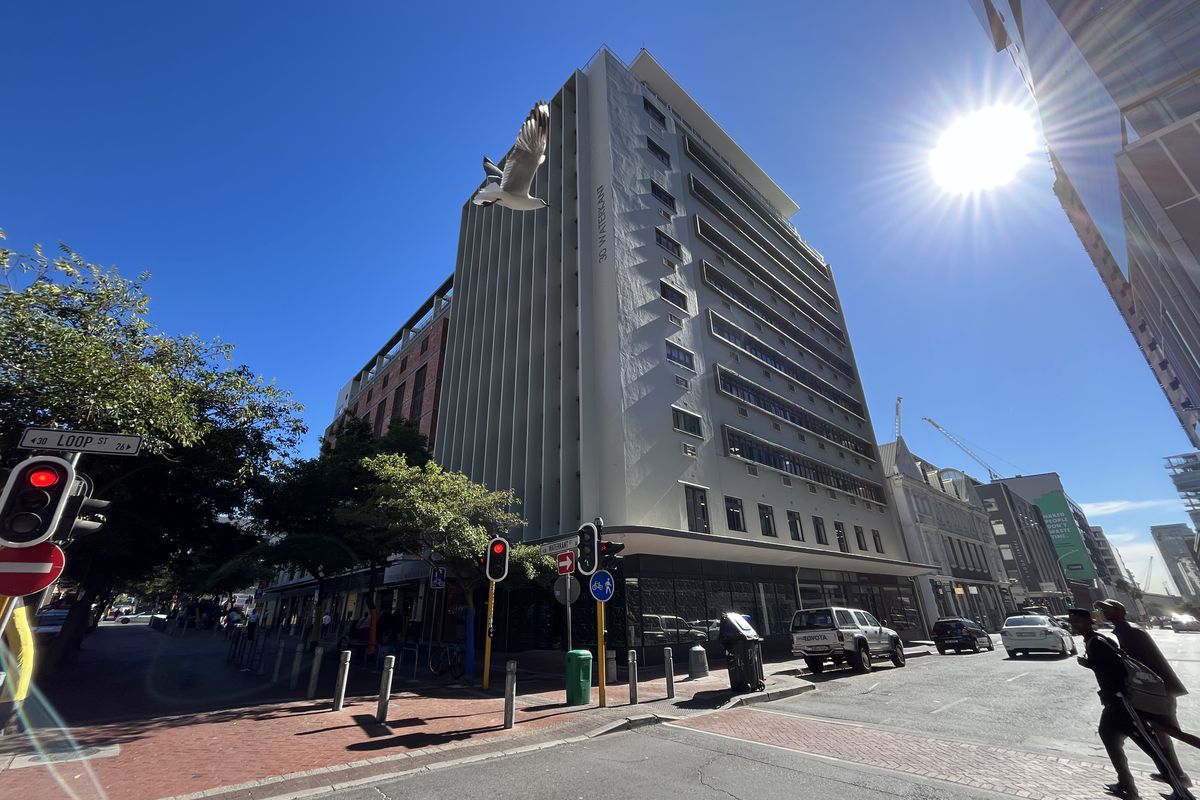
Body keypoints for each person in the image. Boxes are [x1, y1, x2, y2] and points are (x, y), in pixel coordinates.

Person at [1070, 608, 1184, 799]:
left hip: (1122, 702)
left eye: (1078, 622)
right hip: (1112, 703)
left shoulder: (1098, 642)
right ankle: (1126, 784)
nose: (1074, 625)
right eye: (1072, 622)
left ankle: (1181, 790)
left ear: (1089, 622)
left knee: (1150, 746)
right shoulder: (1094, 640)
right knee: (1107, 735)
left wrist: (1089, 665)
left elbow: (1117, 669)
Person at [1097, 599, 1192, 788]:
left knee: (1162, 733)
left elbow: (1138, 664)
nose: (1104, 612)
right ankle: (1175, 774)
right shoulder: (1126, 630)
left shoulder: (1131, 632)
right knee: (1159, 733)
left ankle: (1176, 778)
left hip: (1154, 691)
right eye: (1103, 609)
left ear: (1119, 611)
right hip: (1151, 689)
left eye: (1108, 609)